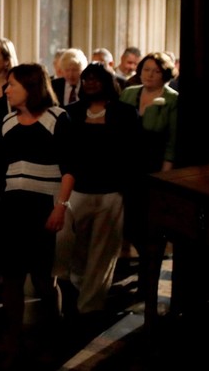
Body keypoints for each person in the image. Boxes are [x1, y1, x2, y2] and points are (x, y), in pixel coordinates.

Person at [0, 63, 75, 368]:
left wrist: (60, 207)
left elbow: (70, 167)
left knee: (43, 280)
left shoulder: (57, 119)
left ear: (30, 86)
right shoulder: (6, 123)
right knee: (12, 280)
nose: (7, 90)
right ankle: (13, 340)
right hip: (12, 210)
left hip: (43, 208)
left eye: (12, 84)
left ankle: (51, 339)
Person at [55, 62, 142, 333]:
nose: (90, 83)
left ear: (107, 82)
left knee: (103, 251)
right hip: (78, 190)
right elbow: (65, 152)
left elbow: (132, 153)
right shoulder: (71, 113)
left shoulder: (125, 113)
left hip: (111, 191)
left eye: (96, 79)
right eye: (86, 79)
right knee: (76, 249)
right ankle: (76, 296)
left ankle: (90, 307)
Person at [119, 51, 179, 321]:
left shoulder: (173, 100)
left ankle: (147, 275)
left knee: (149, 226)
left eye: (155, 71)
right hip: (129, 165)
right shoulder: (129, 93)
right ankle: (140, 266)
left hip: (154, 167)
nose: (150, 74)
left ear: (165, 74)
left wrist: (165, 175)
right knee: (129, 223)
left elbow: (172, 141)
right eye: (146, 69)